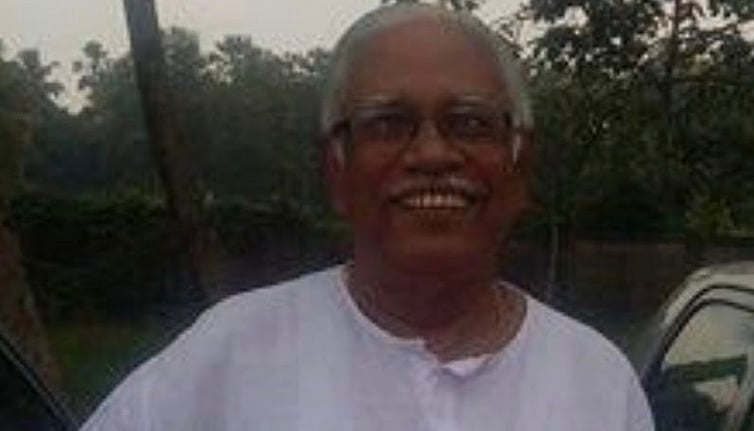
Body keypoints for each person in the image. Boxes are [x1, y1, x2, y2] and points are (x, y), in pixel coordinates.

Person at [81, 4, 654, 430]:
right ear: (337, 168)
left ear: (519, 165)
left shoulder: (596, 382)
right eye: (388, 123)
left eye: (469, 122)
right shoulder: (227, 358)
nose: (432, 154)